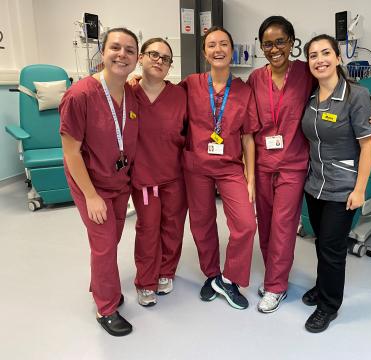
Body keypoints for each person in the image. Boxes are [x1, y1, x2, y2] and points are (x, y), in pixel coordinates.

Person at [247, 16, 371, 314]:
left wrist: (369, 112)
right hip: (266, 165)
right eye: (268, 43)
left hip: (294, 167)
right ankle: (273, 277)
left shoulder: (304, 75)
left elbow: (343, 89)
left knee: (283, 226)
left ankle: (277, 286)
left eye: (281, 41)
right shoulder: (256, 79)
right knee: (265, 225)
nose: (274, 48)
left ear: (292, 43)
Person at [59, 28, 139, 336]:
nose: (122, 54)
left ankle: (99, 283)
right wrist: (91, 196)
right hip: (90, 183)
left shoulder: (130, 92)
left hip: (119, 181)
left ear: (136, 58)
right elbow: (71, 152)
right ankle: (106, 307)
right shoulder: (79, 95)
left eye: (130, 50)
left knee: (112, 237)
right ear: (102, 53)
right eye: (115, 48)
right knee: (104, 244)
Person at [301, 34, 371, 333]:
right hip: (314, 184)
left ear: (338, 57)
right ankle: (322, 286)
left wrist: (360, 190)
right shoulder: (310, 95)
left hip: (343, 187)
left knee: (332, 249)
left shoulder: (356, 96)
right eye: (313, 55)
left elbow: (368, 146)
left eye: (325, 53)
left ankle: (329, 306)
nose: (319, 59)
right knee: (322, 243)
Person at [181, 26, 259, 310]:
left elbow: (249, 137)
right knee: (201, 222)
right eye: (212, 45)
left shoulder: (243, 90)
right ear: (205, 53)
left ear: (232, 50)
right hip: (196, 165)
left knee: (246, 225)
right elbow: (163, 100)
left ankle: (230, 278)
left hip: (230, 166)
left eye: (224, 44)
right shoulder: (190, 83)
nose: (218, 49)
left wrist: (250, 177)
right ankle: (212, 274)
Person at [130, 38, 188, 307]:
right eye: (154, 54)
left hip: (175, 175)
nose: (159, 61)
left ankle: (166, 271)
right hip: (144, 179)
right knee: (148, 229)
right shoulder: (128, 93)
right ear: (141, 58)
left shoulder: (179, 95)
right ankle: (145, 280)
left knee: (173, 227)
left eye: (165, 58)